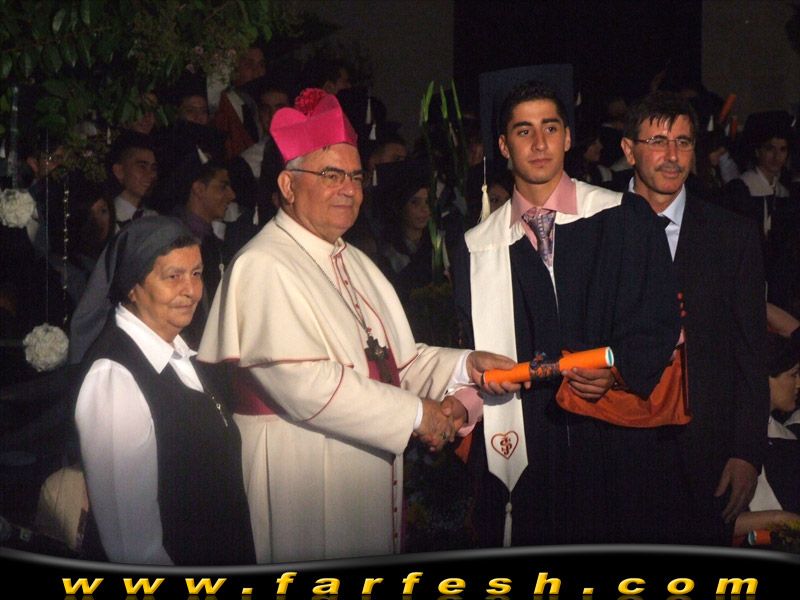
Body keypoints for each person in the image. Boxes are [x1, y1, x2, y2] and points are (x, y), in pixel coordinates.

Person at [197, 88, 518, 563]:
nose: (349, 188)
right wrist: (417, 415)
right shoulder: (263, 263)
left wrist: (467, 365)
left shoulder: (355, 261)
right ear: (288, 185)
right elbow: (306, 385)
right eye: (331, 175)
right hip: (302, 474)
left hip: (362, 469)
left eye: (355, 176)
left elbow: (397, 362)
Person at [452, 78, 681, 547]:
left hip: (614, 442)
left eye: (551, 128)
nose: (540, 143)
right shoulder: (476, 249)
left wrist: (616, 372)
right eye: (524, 131)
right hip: (528, 451)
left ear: (568, 137)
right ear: (504, 146)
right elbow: (468, 354)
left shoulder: (624, 217)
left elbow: (658, 321)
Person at [620, 90, 770, 545]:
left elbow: (750, 355)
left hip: (706, 458)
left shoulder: (732, 236)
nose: (672, 156)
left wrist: (746, 452)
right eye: (658, 141)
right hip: (617, 454)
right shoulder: (593, 226)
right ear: (629, 150)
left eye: (683, 142)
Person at [72, 216, 255, 565]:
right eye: (173, 276)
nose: (191, 290)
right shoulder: (115, 378)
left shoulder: (184, 356)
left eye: (196, 274)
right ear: (132, 286)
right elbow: (131, 543)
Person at [107, 131, 159, 231]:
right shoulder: (107, 220)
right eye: (142, 167)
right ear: (119, 171)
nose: (150, 175)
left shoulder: (154, 218)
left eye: (153, 168)